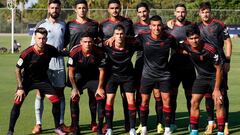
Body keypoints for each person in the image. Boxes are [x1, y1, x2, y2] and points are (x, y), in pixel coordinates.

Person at [6, 27, 66, 135]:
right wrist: (20, 87)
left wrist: (70, 53)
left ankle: (57, 127)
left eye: (43, 38)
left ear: (46, 39)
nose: (41, 41)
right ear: (35, 38)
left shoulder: (50, 49)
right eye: (39, 38)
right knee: (17, 102)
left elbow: (59, 53)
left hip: (43, 80)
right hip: (27, 81)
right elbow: (17, 69)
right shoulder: (27, 53)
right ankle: (10, 131)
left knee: (56, 101)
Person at [30, 0, 67, 134]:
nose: (55, 10)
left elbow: (65, 42)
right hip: (43, 65)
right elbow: (33, 44)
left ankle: (61, 123)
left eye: (57, 8)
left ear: (60, 9)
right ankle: (38, 124)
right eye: (52, 8)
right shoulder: (41, 24)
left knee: (60, 93)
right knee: (40, 93)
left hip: (59, 63)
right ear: (48, 8)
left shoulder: (63, 24)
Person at [64, 0, 101, 132]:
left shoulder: (94, 24)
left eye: (84, 8)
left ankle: (93, 122)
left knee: (93, 96)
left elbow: (99, 41)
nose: (82, 10)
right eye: (79, 8)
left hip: (92, 66)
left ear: (87, 9)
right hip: (76, 68)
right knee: (74, 96)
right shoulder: (70, 25)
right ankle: (75, 124)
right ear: (75, 9)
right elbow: (64, 42)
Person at [182, 26, 225, 135]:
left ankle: (220, 132)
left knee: (218, 103)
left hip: (215, 77)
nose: (194, 40)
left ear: (200, 37)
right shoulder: (186, 45)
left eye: (196, 37)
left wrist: (216, 89)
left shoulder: (210, 49)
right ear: (187, 39)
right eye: (191, 38)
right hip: (201, 78)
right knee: (193, 102)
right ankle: (194, 132)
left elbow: (219, 69)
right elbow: (174, 44)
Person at [138, 15, 178, 135]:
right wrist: (114, 37)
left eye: (159, 25)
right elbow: (127, 40)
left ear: (162, 26)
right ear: (150, 26)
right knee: (144, 101)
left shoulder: (169, 38)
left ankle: (167, 129)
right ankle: (144, 127)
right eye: (154, 25)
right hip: (147, 75)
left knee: (166, 100)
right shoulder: (143, 36)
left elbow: (179, 49)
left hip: (164, 75)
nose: (157, 28)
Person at [99, 0, 135, 131]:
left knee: (127, 98)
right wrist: (108, 40)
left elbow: (132, 38)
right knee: (108, 98)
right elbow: (98, 42)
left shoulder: (127, 22)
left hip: (125, 63)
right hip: (110, 67)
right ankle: (107, 126)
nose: (115, 10)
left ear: (120, 8)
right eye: (112, 8)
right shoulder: (103, 24)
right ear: (108, 9)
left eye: (117, 8)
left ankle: (129, 124)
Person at [198, 2, 232, 134]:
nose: (205, 14)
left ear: (210, 12)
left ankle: (226, 123)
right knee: (208, 94)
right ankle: (211, 123)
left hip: (220, 63)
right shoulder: (197, 26)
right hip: (205, 66)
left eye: (207, 12)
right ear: (199, 13)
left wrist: (228, 60)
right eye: (203, 12)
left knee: (222, 94)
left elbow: (228, 42)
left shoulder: (219, 24)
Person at [103, 24, 140, 135]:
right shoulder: (107, 45)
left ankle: (132, 128)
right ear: (113, 35)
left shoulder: (131, 44)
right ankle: (109, 128)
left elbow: (141, 37)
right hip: (112, 77)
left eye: (121, 34)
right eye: (117, 34)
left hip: (128, 76)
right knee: (109, 101)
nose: (119, 36)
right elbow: (92, 44)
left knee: (131, 101)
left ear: (125, 35)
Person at [133, 3, 164, 134]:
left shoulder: (157, 26)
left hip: (157, 65)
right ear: (137, 14)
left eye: (144, 11)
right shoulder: (133, 27)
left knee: (158, 95)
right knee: (141, 96)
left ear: (148, 11)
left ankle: (160, 123)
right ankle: (142, 123)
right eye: (140, 12)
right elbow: (126, 39)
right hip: (141, 64)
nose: (142, 14)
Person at [67, 33, 106, 135]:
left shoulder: (98, 52)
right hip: (79, 77)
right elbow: (71, 72)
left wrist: (100, 87)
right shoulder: (74, 52)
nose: (87, 44)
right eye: (85, 42)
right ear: (81, 43)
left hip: (94, 77)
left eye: (89, 42)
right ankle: (75, 127)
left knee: (100, 97)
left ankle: (98, 126)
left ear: (92, 42)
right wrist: (74, 88)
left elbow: (102, 71)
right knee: (74, 98)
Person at [167, 4, 196, 132]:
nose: (180, 14)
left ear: (186, 12)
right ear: (174, 13)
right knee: (172, 96)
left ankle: (191, 123)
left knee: (190, 96)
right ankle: (172, 123)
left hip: (189, 66)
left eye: (183, 12)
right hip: (173, 67)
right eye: (178, 12)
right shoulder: (169, 27)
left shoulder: (192, 26)